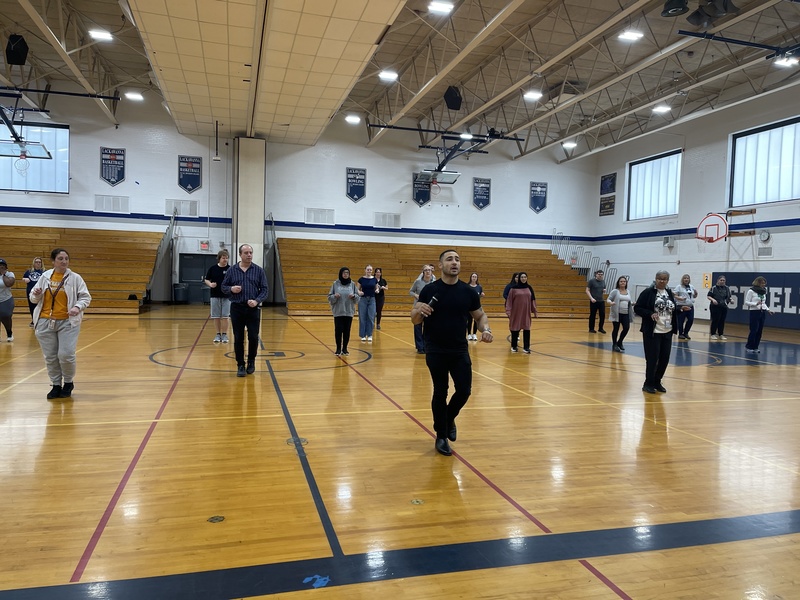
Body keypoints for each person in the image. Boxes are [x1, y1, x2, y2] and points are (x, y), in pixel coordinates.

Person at [411, 249, 493, 456]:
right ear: (440, 265)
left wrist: (487, 329)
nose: (454, 262)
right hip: (435, 349)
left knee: (464, 390)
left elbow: (480, 316)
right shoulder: (429, 290)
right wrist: (418, 310)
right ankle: (441, 435)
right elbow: (415, 320)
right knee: (440, 391)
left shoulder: (468, 292)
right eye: (449, 259)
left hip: (459, 349)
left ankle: (448, 419)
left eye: (457, 259)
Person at [29, 248, 92, 399]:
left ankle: (68, 382)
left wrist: (77, 307)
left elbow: (85, 297)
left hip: (67, 322)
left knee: (66, 354)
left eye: (66, 259)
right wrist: (36, 294)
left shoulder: (75, 278)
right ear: (53, 261)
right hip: (45, 321)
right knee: (50, 356)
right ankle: (56, 384)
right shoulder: (45, 277)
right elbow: (33, 299)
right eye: (60, 259)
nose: (64, 261)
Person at [221, 244, 269, 377]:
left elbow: (265, 290)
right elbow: (224, 286)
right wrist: (231, 289)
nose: (249, 255)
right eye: (246, 253)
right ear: (240, 254)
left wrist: (257, 301)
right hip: (237, 308)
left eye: (251, 253)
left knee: (253, 337)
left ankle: (251, 361)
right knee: (238, 338)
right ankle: (240, 364)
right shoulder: (232, 270)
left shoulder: (259, 271)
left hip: (253, 309)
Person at [634, 270, 678, 394]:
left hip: (667, 330)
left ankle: (657, 381)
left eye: (664, 279)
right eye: (659, 278)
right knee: (652, 359)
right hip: (653, 332)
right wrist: (650, 314)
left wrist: (679, 309)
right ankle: (648, 383)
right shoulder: (648, 292)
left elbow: (671, 308)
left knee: (664, 359)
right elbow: (637, 308)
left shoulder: (669, 293)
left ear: (667, 281)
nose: (662, 281)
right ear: (656, 279)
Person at [328, 267, 358, 356]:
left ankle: (345, 348)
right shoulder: (335, 284)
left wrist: (354, 296)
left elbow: (357, 298)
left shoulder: (352, 284)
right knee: (338, 330)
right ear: (341, 274)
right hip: (338, 311)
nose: (345, 274)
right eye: (344, 273)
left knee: (347, 330)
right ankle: (338, 348)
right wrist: (334, 296)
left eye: (347, 273)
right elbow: (329, 297)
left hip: (349, 311)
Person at [505, 272, 537, 353]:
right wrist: (508, 311)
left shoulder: (529, 288)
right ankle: (514, 346)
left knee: (527, 329)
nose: (523, 278)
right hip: (516, 312)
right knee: (515, 329)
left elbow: (532, 299)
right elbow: (509, 301)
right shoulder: (513, 289)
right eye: (522, 277)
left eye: (525, 277)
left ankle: (526, 347)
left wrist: (534, 310)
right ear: (519, 278)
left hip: (526, 312)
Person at [203, 249, 231, 343]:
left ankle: (225, 335)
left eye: (227, 258)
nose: (225, 260)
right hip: (215, 295)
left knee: (226, 316)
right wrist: (210, 284)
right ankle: (218, 334)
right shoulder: (213, 268)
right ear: (219, 258)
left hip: (227, 296)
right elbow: (206, 280)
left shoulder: (230, 269)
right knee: (216, 316)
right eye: (223, 258)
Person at [409, 265, 436, 353]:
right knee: (417, 326)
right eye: (426, 270)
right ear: (423, 272)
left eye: (429, 270)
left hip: (429, 308)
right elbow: (411, 291)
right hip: (418, 307)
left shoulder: (434, 283)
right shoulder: (418, 282)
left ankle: (426, 345)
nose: (428, 272)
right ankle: (420, 347)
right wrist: (416, 295)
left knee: (428, 327)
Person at [743, 276, 773, 354]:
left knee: (759, 330)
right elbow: (746, 302)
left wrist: (768, 310)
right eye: (762, 283)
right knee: (754, 330)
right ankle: (749, 346)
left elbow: (763, 303)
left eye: (765, 283)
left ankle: (755, 346)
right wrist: (755, 303)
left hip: (762, 312)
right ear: (758, 283)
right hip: (754, 312)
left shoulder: (763, 291)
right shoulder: (751, 291)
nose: (764, 285)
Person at [607, 276, 632, 352]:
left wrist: (632, 303)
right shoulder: (615, 291)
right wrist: (611, 302)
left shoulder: (628, 291)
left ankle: (620, 341)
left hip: (626, 313)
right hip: (617, 313)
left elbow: (628, 301)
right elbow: (608, 299)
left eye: (624, 281)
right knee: (616, 329)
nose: (623, 283)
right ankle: (614, 344)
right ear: (618, 283)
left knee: (626, 328)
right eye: (621, 281)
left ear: (626, 283)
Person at [672, 274, 698, 340]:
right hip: (682, 306)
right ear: (682, 279)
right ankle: (681, 334)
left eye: (687, 278)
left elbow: (693, 296)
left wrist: (696, 294)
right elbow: (674, 295)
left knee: (691, 320)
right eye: (685, 278)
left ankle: (686, 332)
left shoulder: (691, 286)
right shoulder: (679, 286)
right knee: (681, 320)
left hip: (690, 306)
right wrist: (679, 298)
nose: (686, 279)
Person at [356, 264, 377, 342]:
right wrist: (359, 292)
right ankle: (363, 335)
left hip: (372, 299)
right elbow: (357, 289)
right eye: (368, 269)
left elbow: (376, 287)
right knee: (362, 317)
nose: (369, 271)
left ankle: (370, 334)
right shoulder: (361, 279)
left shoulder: (374, 279)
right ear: (365, 270)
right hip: (363, 299)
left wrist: (377, 290)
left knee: (371, 317)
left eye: (370, 270)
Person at [708, 275, 732, 340]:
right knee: (715, 320)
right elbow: (709, 296)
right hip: (715, 306)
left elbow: (728, 297)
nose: (722, 281)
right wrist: (713, 300)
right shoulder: (714, 288)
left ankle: (721, 334)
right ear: (718, 280)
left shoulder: (727, 288)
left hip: (723, 306)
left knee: (722, 320)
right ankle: (713, 333)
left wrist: (731, 300)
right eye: (721, 280)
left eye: (723, 280)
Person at [23, 257, 44, 328]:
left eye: (39, 262)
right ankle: (33, 320)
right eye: (36, 262)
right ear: (33, 263)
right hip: (30, 291)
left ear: (41, 263)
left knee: (40, 306)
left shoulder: (44, 272)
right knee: (31, 306)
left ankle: (40, 320)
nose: (38, 263)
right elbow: (23, 278)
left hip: (41, 292)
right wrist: (24, 279)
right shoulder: (29, 271)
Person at [465, 272, 485, 340]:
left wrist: (482, 295)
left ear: (477, 278)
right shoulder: (467, 286)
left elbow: (479, 296)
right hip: (469, 306)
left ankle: (474, 334)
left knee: (476, 321)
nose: (474, 278)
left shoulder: (479, 287)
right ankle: (469, 334)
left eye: (475, 277)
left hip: (476, 307)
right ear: (471, 278)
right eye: (473, 276)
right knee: (469, 320)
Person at [0, 259, 16, 342]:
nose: (0, 267)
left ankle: (9, 333)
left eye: (2, 266)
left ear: (6, 267)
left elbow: (9, 283)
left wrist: (4, 275)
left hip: (6, 299)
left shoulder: (10, 274)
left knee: (5, 316)